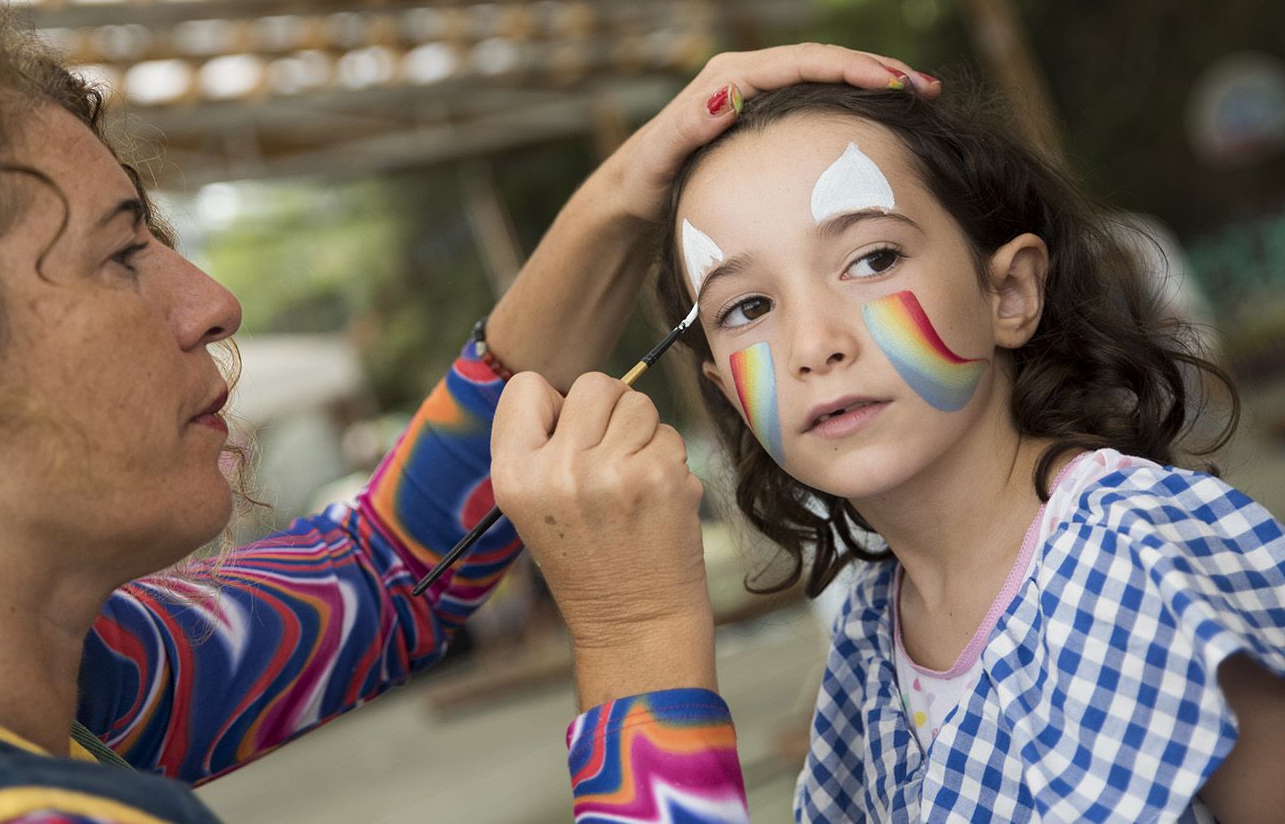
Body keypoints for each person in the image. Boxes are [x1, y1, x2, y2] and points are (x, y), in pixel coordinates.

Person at [0, 0, 934, 823]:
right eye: (122, 252)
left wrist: (622, 198)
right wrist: (639, 645)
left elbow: (381, 573)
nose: (209, 302)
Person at [531, 80, 1285, 821]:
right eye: (749, 307)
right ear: (724, 392)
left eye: (873, 260)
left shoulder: (1143, 556)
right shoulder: (869, 640)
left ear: (1010, 293)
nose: (814, 344)